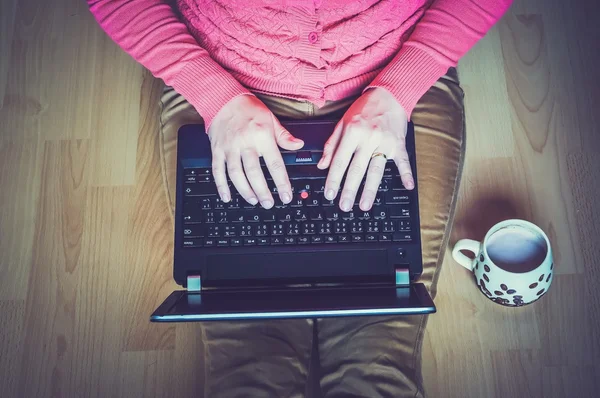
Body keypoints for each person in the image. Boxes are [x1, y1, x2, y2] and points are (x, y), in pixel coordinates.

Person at [89, 1, 512, 396]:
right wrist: (215, 96)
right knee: (248, 362)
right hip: (220, 82)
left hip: (399, 72)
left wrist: (401, 87)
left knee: (377, 353)